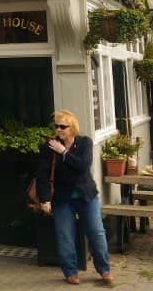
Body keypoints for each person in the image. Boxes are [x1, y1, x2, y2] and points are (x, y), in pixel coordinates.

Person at [37, 110, 112, 286]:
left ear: (73, 127)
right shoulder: (48, 148)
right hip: (62, 198)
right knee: (64, 236)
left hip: (86, 195)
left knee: (96, 233)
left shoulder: (84, 143)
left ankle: (104, 269)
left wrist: (63, 152)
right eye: (56, 126)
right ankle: (70, 272)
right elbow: (42, 175)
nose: (59, 129)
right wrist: (45, 199)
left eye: (63, 126)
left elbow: (83, 166)